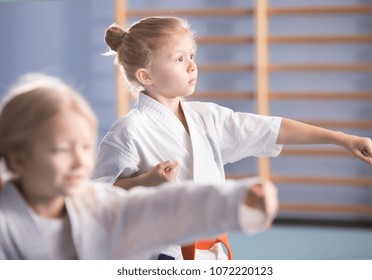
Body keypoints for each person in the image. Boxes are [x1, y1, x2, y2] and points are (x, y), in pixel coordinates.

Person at [92, 16, 372, 260]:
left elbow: (272, 129)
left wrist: (339, 138)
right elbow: (94, 199)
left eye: (192, 55)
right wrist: (146, 181)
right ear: (146, 76)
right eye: (179, 59)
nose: (191, 66)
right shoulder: (130, 130)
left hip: (215, 251)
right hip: (160, 256)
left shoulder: (208, 118)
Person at [0, 73, 279, 260]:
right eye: (62, 149)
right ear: (18, 158)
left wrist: (237, 200)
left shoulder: (97, 204)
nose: (80, 161)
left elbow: (164, 208)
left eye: (86, 147)